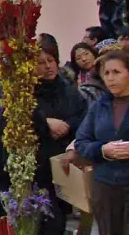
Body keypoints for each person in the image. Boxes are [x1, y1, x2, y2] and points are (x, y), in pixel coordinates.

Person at [74, 50, 129, 233]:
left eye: (116, 72)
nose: (110, 78)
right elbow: (81, 142)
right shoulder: (99, 107)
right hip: (104, 186)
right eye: (106, 73)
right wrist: (102, 150)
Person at [34, 38, 89, 235]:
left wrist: (67, 126)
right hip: (36, 167)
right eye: (41, 62)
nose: (48, 66)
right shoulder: (27, 93)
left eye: (51, 60)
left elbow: (84, 121)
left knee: (58, 222)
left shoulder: (70, 91)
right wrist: (45, 122)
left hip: (63, 166)